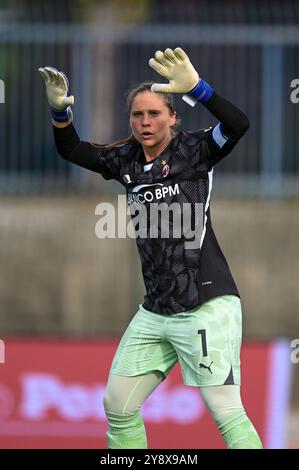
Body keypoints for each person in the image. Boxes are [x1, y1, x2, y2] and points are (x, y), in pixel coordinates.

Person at [39, 47, 263, 449]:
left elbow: (238, 124)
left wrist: (199, 89)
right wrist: (60, 113)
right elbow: (72, 150)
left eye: (155, 114)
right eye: (138, 115)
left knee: (227, 412)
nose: (145, 122)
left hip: (205, 303)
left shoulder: (195, 150)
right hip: (156, 308)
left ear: (173, 117)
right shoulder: (125, 159)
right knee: (118, 405)